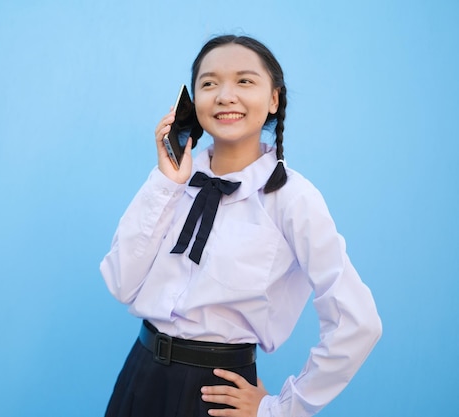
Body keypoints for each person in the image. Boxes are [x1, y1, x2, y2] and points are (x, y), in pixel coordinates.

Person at [100, 34, 382, 417]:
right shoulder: (174, 181)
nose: (224, 95)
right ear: (192, 99)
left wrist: (280, 409)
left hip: (215, 394)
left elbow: (358, 322)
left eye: (245, 81)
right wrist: (166, 182)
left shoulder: (293, 198)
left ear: (273, 99)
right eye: (209, 83)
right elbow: (120, 284)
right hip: (140, 374)